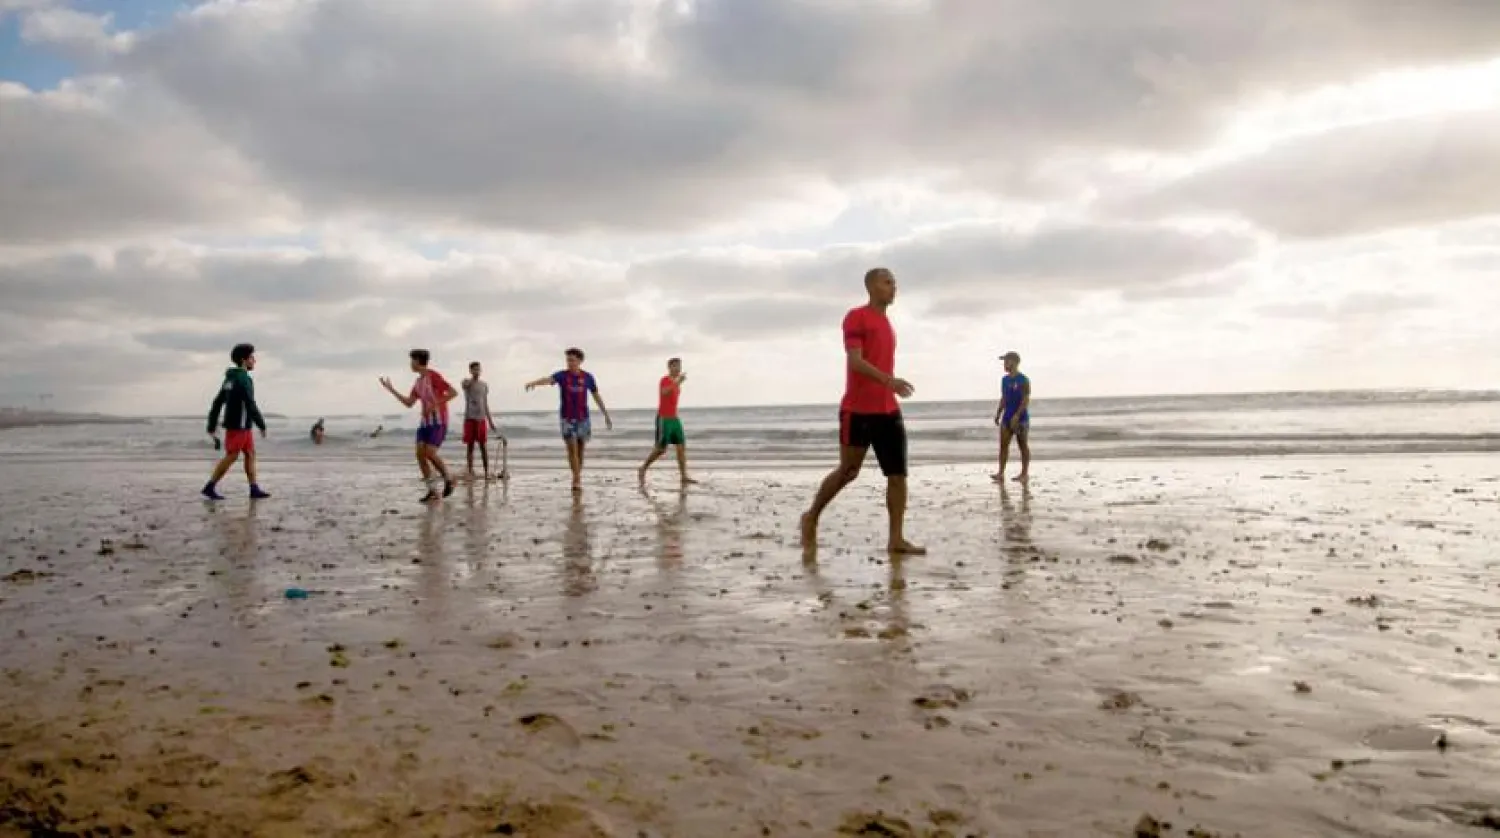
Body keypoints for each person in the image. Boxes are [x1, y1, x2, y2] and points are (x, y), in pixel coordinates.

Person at [799, 268, 924, 555]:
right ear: (871, 286)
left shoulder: (887, 322)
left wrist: (888, 387)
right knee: (848, 471)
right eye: (887, 282)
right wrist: (889, 381)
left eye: (895, 282)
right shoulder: (856, 316)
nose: (894, 287)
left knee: (897, 475)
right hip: (858, 410)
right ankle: (811, 517)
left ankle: (896, 539)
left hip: (888, 410)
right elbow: (855, 362)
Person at [525, 347, 612, 492]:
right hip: (567, 418)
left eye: (572, 360)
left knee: (580, 451)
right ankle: (576, 478)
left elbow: (596, 395)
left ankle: (577, 475)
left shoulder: (588, 377)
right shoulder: (562, 376)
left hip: (583, 418)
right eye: (568, 360)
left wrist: (606, 414)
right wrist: (533, 383)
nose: (569, 363)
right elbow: (548, 379)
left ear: (580, 361)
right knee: (572, 450)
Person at [380, 349, 458, 503]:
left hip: (438, 421)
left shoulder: (433, 376)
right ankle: (433, 491)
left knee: (429, 453)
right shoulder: (418, 382)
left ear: (418, 361)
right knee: (419, 454)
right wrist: (391, 390)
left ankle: (449, 479)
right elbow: (409, 403)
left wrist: (435, 403)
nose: (410, 364)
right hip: (425, 423)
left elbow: (453, 392)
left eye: (412, 360)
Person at [202, 343, 270, 501]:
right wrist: (261, 424)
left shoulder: (230, 379)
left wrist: (211, 424)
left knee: (250, 454)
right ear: (244, 360)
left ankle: (254, 488)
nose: (254, 361)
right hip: (239, 425)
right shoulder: (243, 379)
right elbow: (250, 403)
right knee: (232, 456)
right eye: (252, 357)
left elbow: (217, 402)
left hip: (242, 424)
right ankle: (209, 486)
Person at [638, 357, 696, 486]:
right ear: (669, 367)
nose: (678, 369)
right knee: (660, 449)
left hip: (675, 418)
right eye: (675, 366)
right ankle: (643, 468)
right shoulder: (664, 380)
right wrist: (677, 382)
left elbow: (672, 399)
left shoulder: (677, 385)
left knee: (681, 447)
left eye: (679, 366)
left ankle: (684, 476)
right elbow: (664, 392)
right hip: (664, 418)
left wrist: (678, 383)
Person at [992, 351, 1031, 483]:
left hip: (1021, 418)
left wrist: (1017, 415)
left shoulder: (1023, 380)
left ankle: (1024, 474)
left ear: (1014, 362)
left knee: (1023, 445)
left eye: (1006, 361)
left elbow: (1026, 400)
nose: (1004, 364)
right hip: (1007, 416)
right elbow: (1004, 398)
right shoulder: (1004, 380)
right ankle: (1000, 473)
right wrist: (998, 413)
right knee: (1003, 445)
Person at [460, 361, 501, 480]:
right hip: (470, 418)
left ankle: (486, 471)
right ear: (470, 371)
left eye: (478, 369)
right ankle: (470, 471)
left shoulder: (484, 385)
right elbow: (464, 385)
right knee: (470, 446)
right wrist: (472, 378)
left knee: (483, 446)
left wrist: (491, 421)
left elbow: (485, 403)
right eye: (474, 370)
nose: (477, 371)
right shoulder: (467, 382)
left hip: (481, 418)